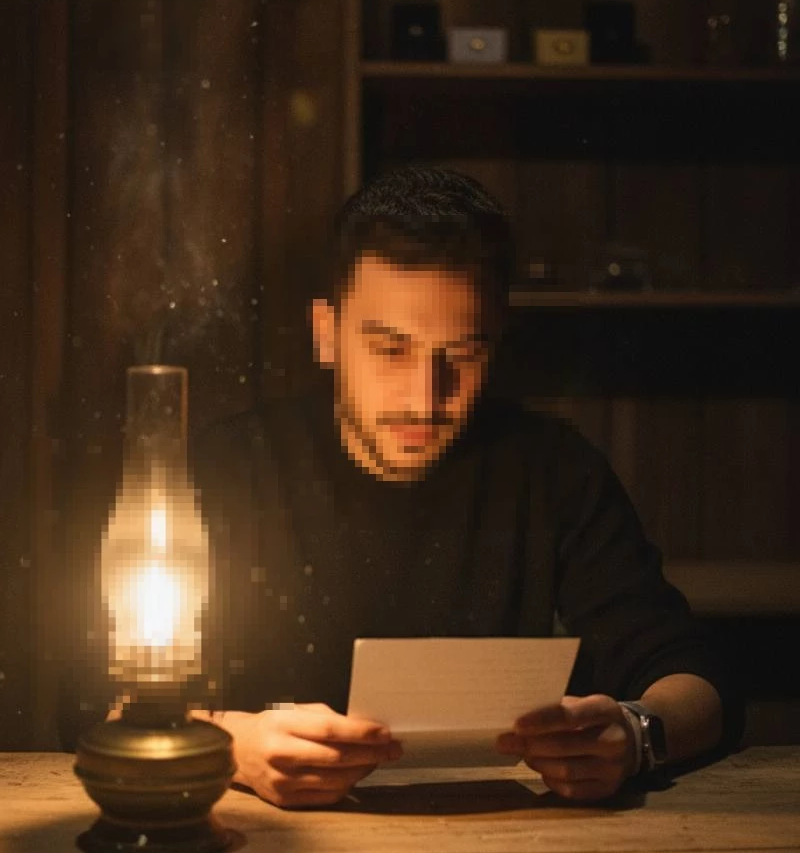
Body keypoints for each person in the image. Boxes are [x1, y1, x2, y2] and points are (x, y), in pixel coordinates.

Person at [183, 165, 744, 810]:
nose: (426, 396)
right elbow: (92, 700)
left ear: (496, 340)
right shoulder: (229, 468)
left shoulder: (553, 470)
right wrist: (234, 747)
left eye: (462, 354)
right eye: (391, 349)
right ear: (326, 334)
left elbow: (702, 682)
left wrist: (635, 735)